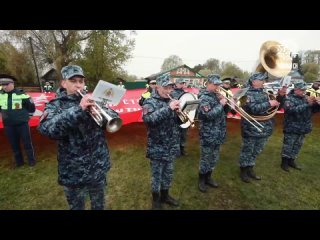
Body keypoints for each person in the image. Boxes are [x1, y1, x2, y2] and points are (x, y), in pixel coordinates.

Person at [38, 65, 120, 210]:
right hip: (73, 170)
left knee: (99, 205)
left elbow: (114, 118)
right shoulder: (55, 105)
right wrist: (79, 109)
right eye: (73, 81)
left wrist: (101, 108)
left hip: (97, 166)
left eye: (81, 81)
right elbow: (48, 129)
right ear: (64, 83)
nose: (78, 85)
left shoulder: (94, 100)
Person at [142, 74, 181, 210]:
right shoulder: (150, 102)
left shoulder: (172, 100)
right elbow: (149, 120)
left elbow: (177, 122)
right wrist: (168, 108)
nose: (168, 90)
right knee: (156, 176)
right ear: (157, 86)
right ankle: (156, 199)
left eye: (170, 87)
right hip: (157, 146)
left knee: (168, 174)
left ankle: (165, 195)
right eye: (165, 87)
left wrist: (180, 113)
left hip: (171, 145)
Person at [238, 72, 280, 183]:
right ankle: (243, 170)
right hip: (251, 128)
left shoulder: (264, 93)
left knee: (257, 150)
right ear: (254, 81)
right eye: (261, 80)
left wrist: (275, 101)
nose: (264, 82)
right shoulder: (246, 94)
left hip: (265, 127)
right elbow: (253, 109)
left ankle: (250, 167)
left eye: (264, 80)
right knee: (248, 150)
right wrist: (270, 103)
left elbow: (269, 109)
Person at [280, 81, 320, 171]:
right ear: (296, 90)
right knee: (288, 145)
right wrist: (307, 104)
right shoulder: (289, 99)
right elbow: (291, 110)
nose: (304, 91)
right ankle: (284, 162)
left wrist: (317, 105)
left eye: (304, 90)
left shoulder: (306, 98)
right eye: (302, 90)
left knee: (298, 145)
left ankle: (292, 160)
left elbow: (312, 111)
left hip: (304, 127)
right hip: (292, 127)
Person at [197, 74, 227, 192]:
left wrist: (227, 103)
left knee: (214, 157)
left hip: (219, 132)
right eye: (215, 84)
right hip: (208, 133)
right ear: (208, 84)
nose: (217, 86)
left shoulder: (217, 96)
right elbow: (208, 115)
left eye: (218, 84)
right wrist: (221, 104)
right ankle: (201, 179)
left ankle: (209, 177)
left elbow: (224, 112)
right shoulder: (204, 98)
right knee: (206, 157)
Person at [0, 74, 36, 167]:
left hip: (22, 124)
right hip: (8, 125)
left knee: (27, 143)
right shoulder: (0, 95)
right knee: (14, 144)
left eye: (6, 84)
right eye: (2, 84)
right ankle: (19, 162)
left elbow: (31, 107)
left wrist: (27, 118)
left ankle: (31, 162)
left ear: (12, 84)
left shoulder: (22, 94)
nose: (4, 86)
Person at [170, 78, 189, 156]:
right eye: (180, 83)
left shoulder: (185, 93)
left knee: (183, 133)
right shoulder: (172, 93)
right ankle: (175, 150)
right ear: (176, 84)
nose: (182, 85)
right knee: (175, 134)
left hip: (184, 114)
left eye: (183, 83)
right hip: (175, 116)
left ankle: (182, 149)